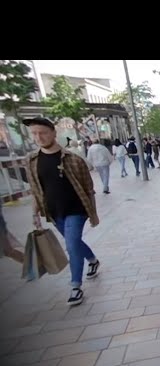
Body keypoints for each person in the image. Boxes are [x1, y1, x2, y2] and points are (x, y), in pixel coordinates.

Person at [22, 117, 101, 306]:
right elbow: (35, 189)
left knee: (71, 245)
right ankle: (92, 259)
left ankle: (75, 286)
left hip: (76, 209)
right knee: (73, 242)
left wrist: (93, 214)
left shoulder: (73, 159)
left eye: (43, 132)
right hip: (54, 211)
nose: (39, 137)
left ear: (53, 133)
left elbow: (88, 187)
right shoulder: (31, 160)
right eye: (34, 133)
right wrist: (35, 213)